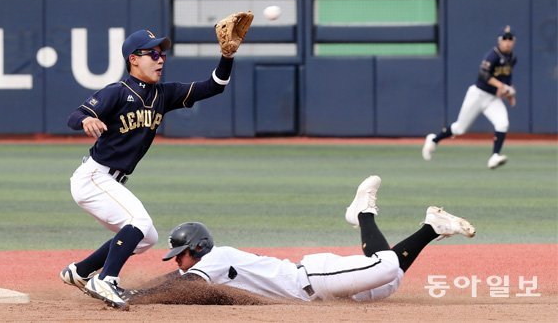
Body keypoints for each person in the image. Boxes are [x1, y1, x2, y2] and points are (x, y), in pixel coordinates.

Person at [59, 12, 253, 309]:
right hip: (94, 177)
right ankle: (106, 280)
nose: (160, 58)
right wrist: (86, 121)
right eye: (152, 53)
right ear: (133, 59)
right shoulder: (117, 92)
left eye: (162, 53)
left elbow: (214, 86)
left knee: (145, 237)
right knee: (138, 221)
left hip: (109, 180)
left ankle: (81, 271)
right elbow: (75, 115)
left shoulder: (164, 94)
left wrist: (226, 56)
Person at [123, 175, 476, 305]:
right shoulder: (212, 268)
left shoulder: (214, 258)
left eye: (181, 254)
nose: (178, 260)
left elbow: (179, 284)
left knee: (386, 267)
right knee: (390, 282)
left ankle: (363, 213)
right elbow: (186, 287)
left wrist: (136, 296)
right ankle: (432, 226)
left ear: (198, 248)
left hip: (312, 277)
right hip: (317, 288)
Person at [422, 25, 517, 169]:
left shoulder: (511, 58)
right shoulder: (493, 55)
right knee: (460, 128)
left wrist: (509, 94)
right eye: (505, 39)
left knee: (502, 123)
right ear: (499, 41)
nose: (507, 42)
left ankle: (494, 156)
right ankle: (433, 140)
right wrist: (501, 86)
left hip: (492, 98)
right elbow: (483, 75)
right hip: (478, 94)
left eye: (510, 39)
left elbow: (507, 80)